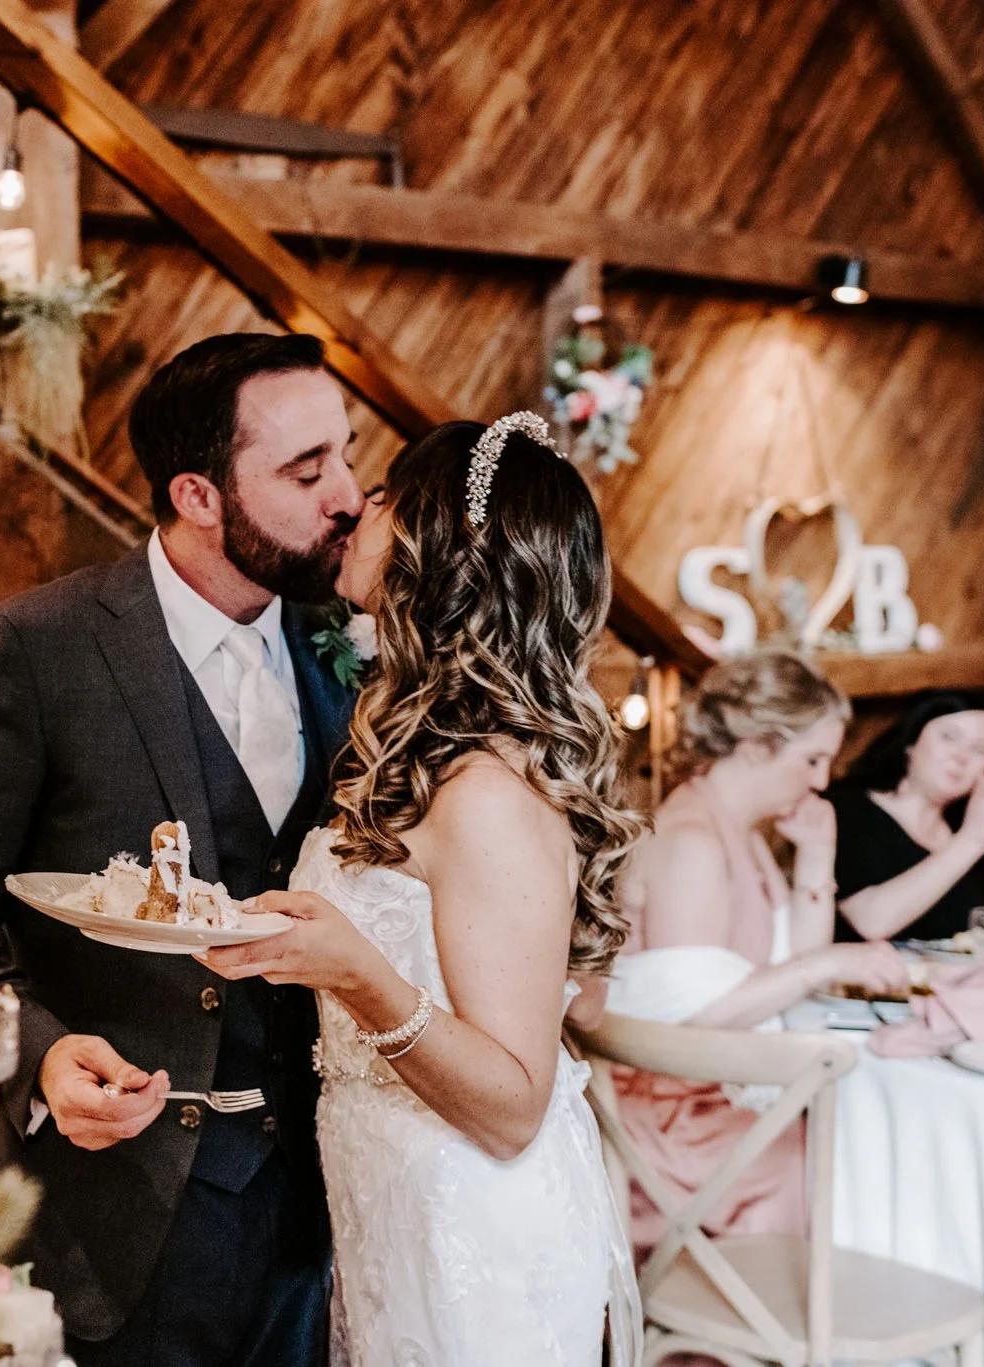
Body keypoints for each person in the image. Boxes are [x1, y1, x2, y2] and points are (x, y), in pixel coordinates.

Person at [0, 331, 363, 1367]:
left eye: (347, 454)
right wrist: (40, 1055)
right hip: (104, 1215)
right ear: (196, 494)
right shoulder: (34, 649)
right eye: (305, 469)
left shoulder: (348, 655)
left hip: (306, 1215)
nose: (348, 495)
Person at [202, 413, 641, 1364]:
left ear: (443, 547)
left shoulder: (487, 791)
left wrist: (357, 974)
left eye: (391, 494)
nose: (360, 504)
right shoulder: (417, 746)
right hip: (393, 1205)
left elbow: (516, 1104)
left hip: (473, 1228)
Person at [607, 651, 907, 1256]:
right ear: (755, 748)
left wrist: (818, 856)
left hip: (717, 1091)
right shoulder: (692, 842)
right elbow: (694, 1022)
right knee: (859, 1162)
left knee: (876, 1148)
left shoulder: (734, 825)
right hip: (672, 1118)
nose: (822, 781)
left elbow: (794, 957)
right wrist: (828, 965)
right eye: (812, 760)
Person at [829, 692, 984, 943]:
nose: (961, 757)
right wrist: (973, 838)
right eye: (949, 737)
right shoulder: (847, 810)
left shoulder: (971, 823)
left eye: (980, 749)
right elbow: (872, 922)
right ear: (911, 741)